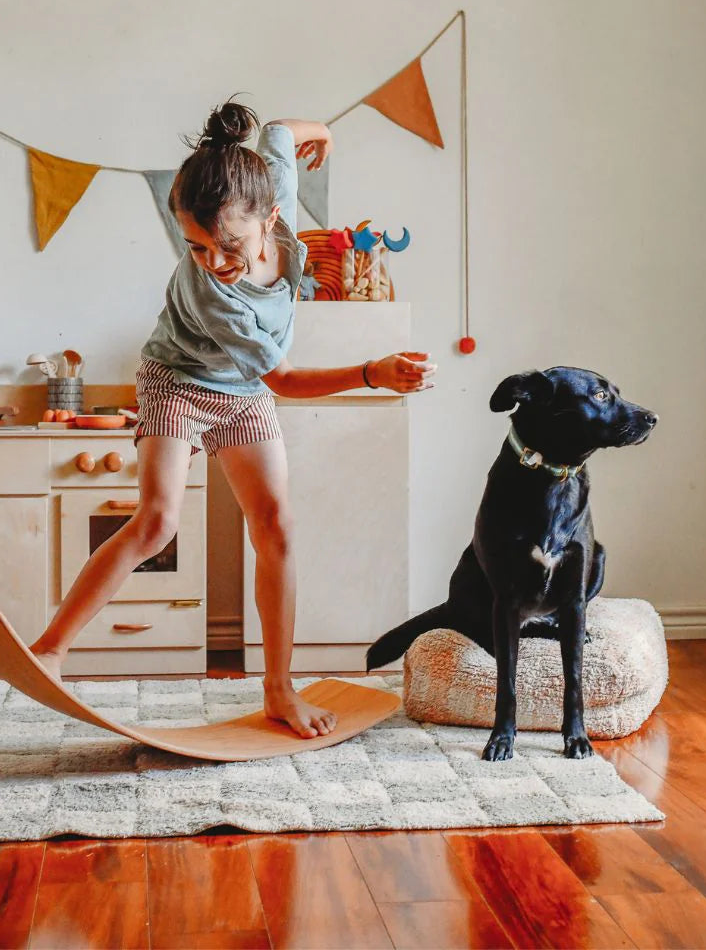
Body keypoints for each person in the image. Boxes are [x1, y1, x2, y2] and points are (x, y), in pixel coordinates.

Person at [28, 98, 436, 738]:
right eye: (196, 246)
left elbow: (278, 133)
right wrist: (369, 374)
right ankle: (50, 648)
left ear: (271, 215)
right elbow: (286, 381)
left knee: (277, 527)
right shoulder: (215, 295)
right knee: (158, 521)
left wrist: (320, 131)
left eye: (230, 245)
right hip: (178, 380)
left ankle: (279, 690)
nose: (215, 261)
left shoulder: (268, 179)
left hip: (240, 391)